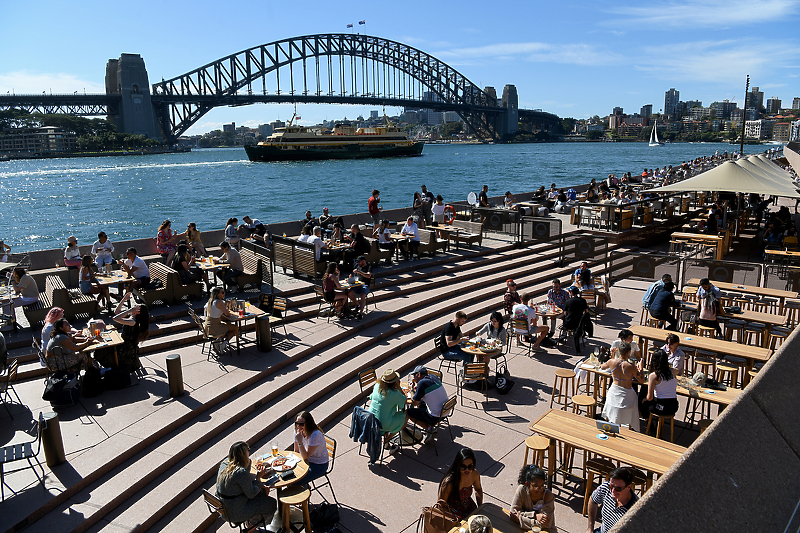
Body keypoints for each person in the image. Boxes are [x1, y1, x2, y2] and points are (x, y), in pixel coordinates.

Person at [215, 441, 278, 530]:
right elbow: (251, 494)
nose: (249, 451)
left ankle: (251, 522)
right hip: (235, 512)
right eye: (248, 450)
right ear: (244, 454)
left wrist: (248, 462)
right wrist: (259, 478)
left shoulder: (224, 464)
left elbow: (242, 479)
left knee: (261, 495)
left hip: (224, 509)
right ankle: (250, 528)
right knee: (271, 503)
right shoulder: (240, 472)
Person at [93, 292, 149, 373]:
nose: (134, 306)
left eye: (135, 307)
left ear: (138, 312)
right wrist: (123, 300)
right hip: (122, 344)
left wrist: (129, 310)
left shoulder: (133, 321)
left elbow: (115, 318)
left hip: (125, 349)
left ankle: (108, 369)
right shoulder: (130, 317)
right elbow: (117, 312)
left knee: (100, 353)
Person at [600, 342, 644, 431]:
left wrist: (611, 357)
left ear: (619, 351)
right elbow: (642, 380)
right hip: (627, 396)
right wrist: (641, 368)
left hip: (613, 393)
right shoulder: (630, 367)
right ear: (628, 352)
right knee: (635, 397)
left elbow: (602, 367)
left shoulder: (612, 362)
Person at [585, 467, 639, 533]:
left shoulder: (635, 510)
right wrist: (590, 528)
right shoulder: (606, 488)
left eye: (618, 489)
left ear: (628, 487)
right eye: (611, 486)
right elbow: (593, 500)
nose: (613, 491)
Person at [368, 369, 407, 455]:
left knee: (385, 413)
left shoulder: (377, 386)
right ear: (395, 382)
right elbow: (404, 401)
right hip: (382, 424)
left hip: (371, 421)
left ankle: (386, 443)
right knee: (406, 414)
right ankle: (387, 438)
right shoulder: (395, 393)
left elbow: (371, 397)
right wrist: (399, 387)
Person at [406, 365, 448, 444]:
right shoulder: (434, 377)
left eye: (414, 375)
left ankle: (429, 430)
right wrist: (418, 389)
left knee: (408, 412)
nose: (414, 378)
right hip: (445, 411)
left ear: (418, 375)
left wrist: (412, 390)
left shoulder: (421, 383)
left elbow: (415, 403)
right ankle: (429, 427)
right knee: (421, 404)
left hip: (435, 416)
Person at [438, 448, 483, 519]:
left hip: (468, 508)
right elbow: (440, 506)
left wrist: (480, 507)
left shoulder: (474, 474)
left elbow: (478, 489)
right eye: (463, 467)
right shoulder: (449, 482)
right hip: (452, 513)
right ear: (457, 465)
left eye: (470, 466)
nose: (467, 470)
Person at [510, 464, 556, 533]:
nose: (539, 489)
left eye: (542, 485)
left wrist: (520, 519)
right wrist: (535, 515)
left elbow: (546, 525)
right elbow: (513, 513)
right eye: (535, 486)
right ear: (527, 484)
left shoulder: (548, 495)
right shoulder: (521, 490)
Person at [293, 411, 330, 485]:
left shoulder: (315, 435)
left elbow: (305, 456)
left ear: (308, 424)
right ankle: (304, 486)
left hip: (319, 464)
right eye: (297, 423)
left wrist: (299, 442)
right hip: (306, 461)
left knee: (294, 482)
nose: (298, 426)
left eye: (301, 424)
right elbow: (296, 451)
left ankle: (304, 489)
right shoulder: (298, 431)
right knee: (289, 476)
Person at [641, 348, 679, 419]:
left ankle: (649, 424)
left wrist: (645, 399)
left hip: (660, 407)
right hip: (673, 406)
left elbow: (650, 397)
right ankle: (658, 425)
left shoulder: (654, 376)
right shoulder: (672, 371)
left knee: (642, 401)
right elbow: (677, 370)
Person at [204, 287, 238, 353]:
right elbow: (227, 314)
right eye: (222, 292)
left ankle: (218, 341)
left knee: (227, 326)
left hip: (208, 326)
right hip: (214, 327)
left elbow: (217, 309)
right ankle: (224, 343)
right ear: (217, 294)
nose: (224, 294)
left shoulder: (211, 300)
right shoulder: (219, 302)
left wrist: (225, 305)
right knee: (235, 328)